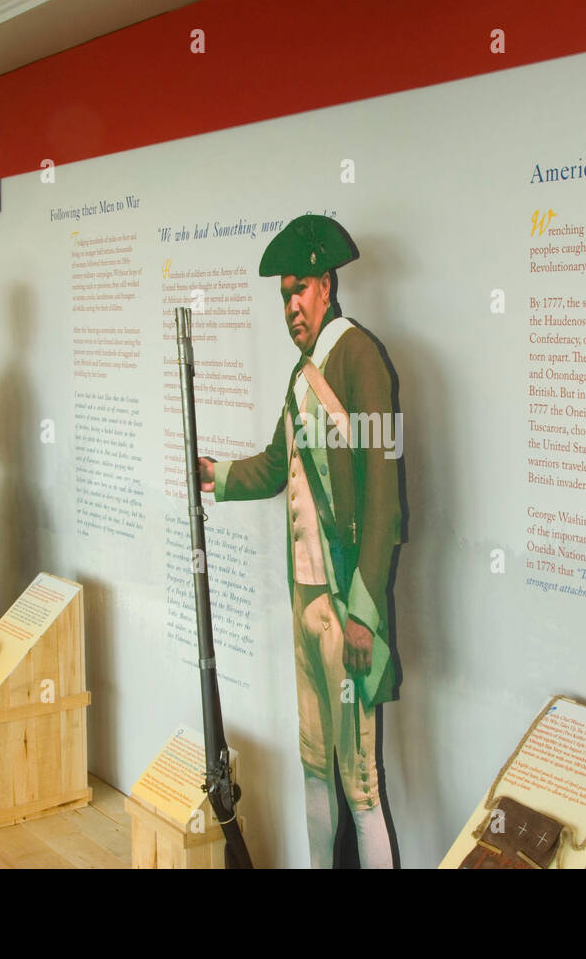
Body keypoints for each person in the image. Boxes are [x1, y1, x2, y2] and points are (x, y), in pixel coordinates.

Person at [198, 215, 404, 868]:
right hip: (304, 602)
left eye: (298, 291)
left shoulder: (358, 358)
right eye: (282, 294)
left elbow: (385, 498)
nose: (290, 306)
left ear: (326, 285)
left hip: (348, 608)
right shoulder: (301, 375)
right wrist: (218, 476)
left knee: (362, 786)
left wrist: (367, 612)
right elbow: (273, 464)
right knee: (315, 768)